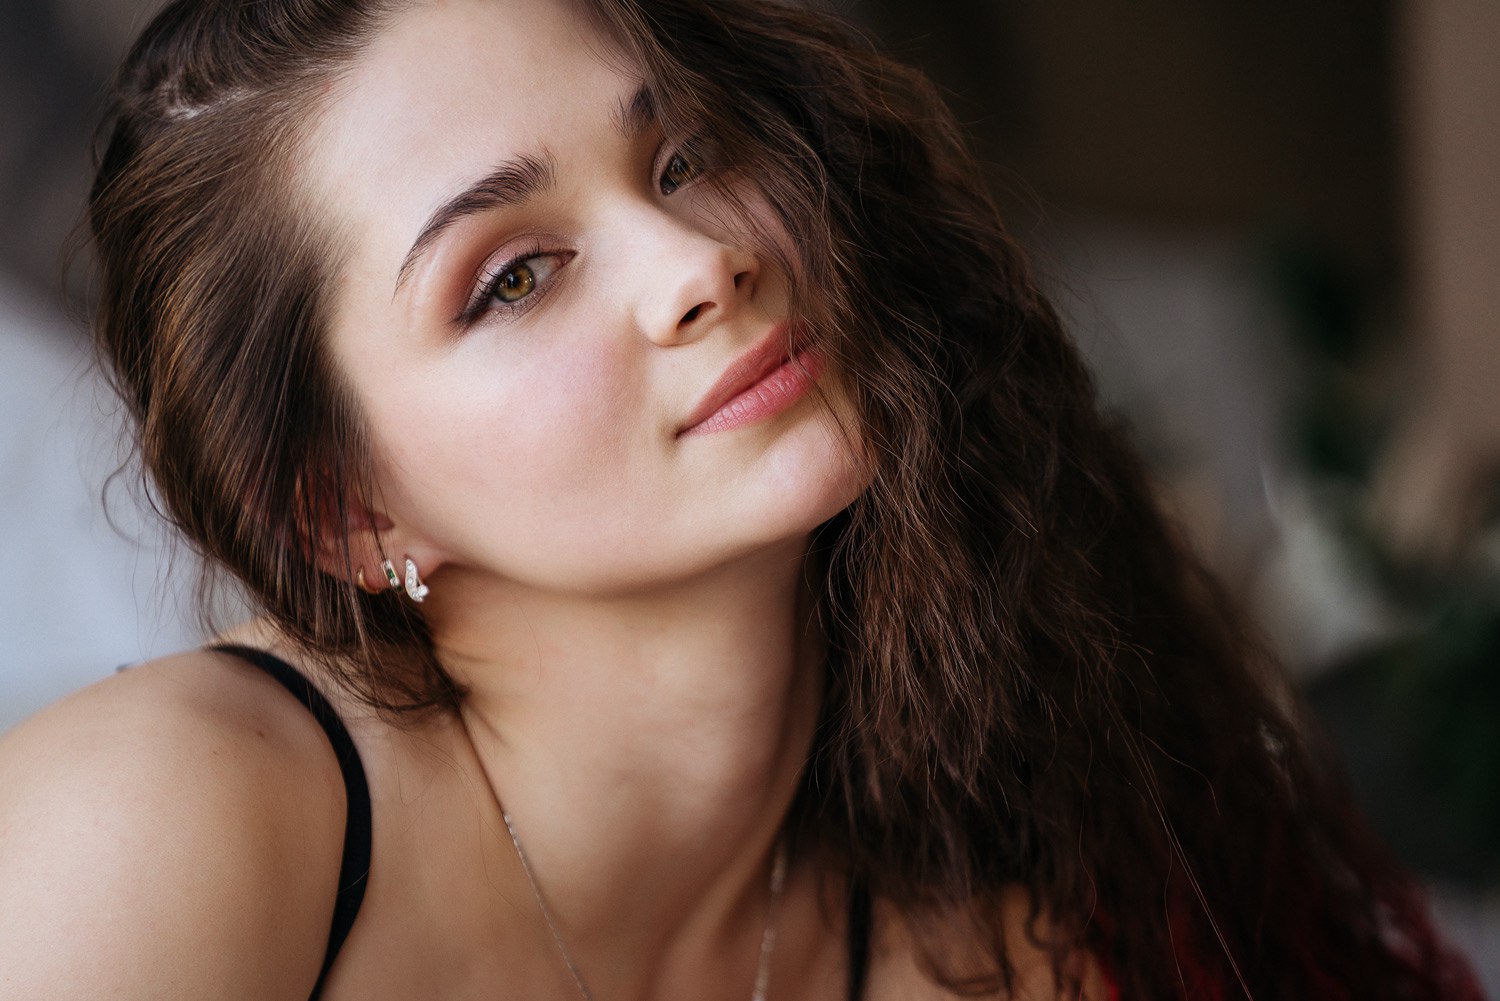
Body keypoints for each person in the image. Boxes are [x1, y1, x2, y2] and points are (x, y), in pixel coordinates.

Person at [0, 0, 1484, 998]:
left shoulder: (989, 946)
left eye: (684, 153)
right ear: (347, 515)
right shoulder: (169, 831)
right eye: (511, 276)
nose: (698, 260)